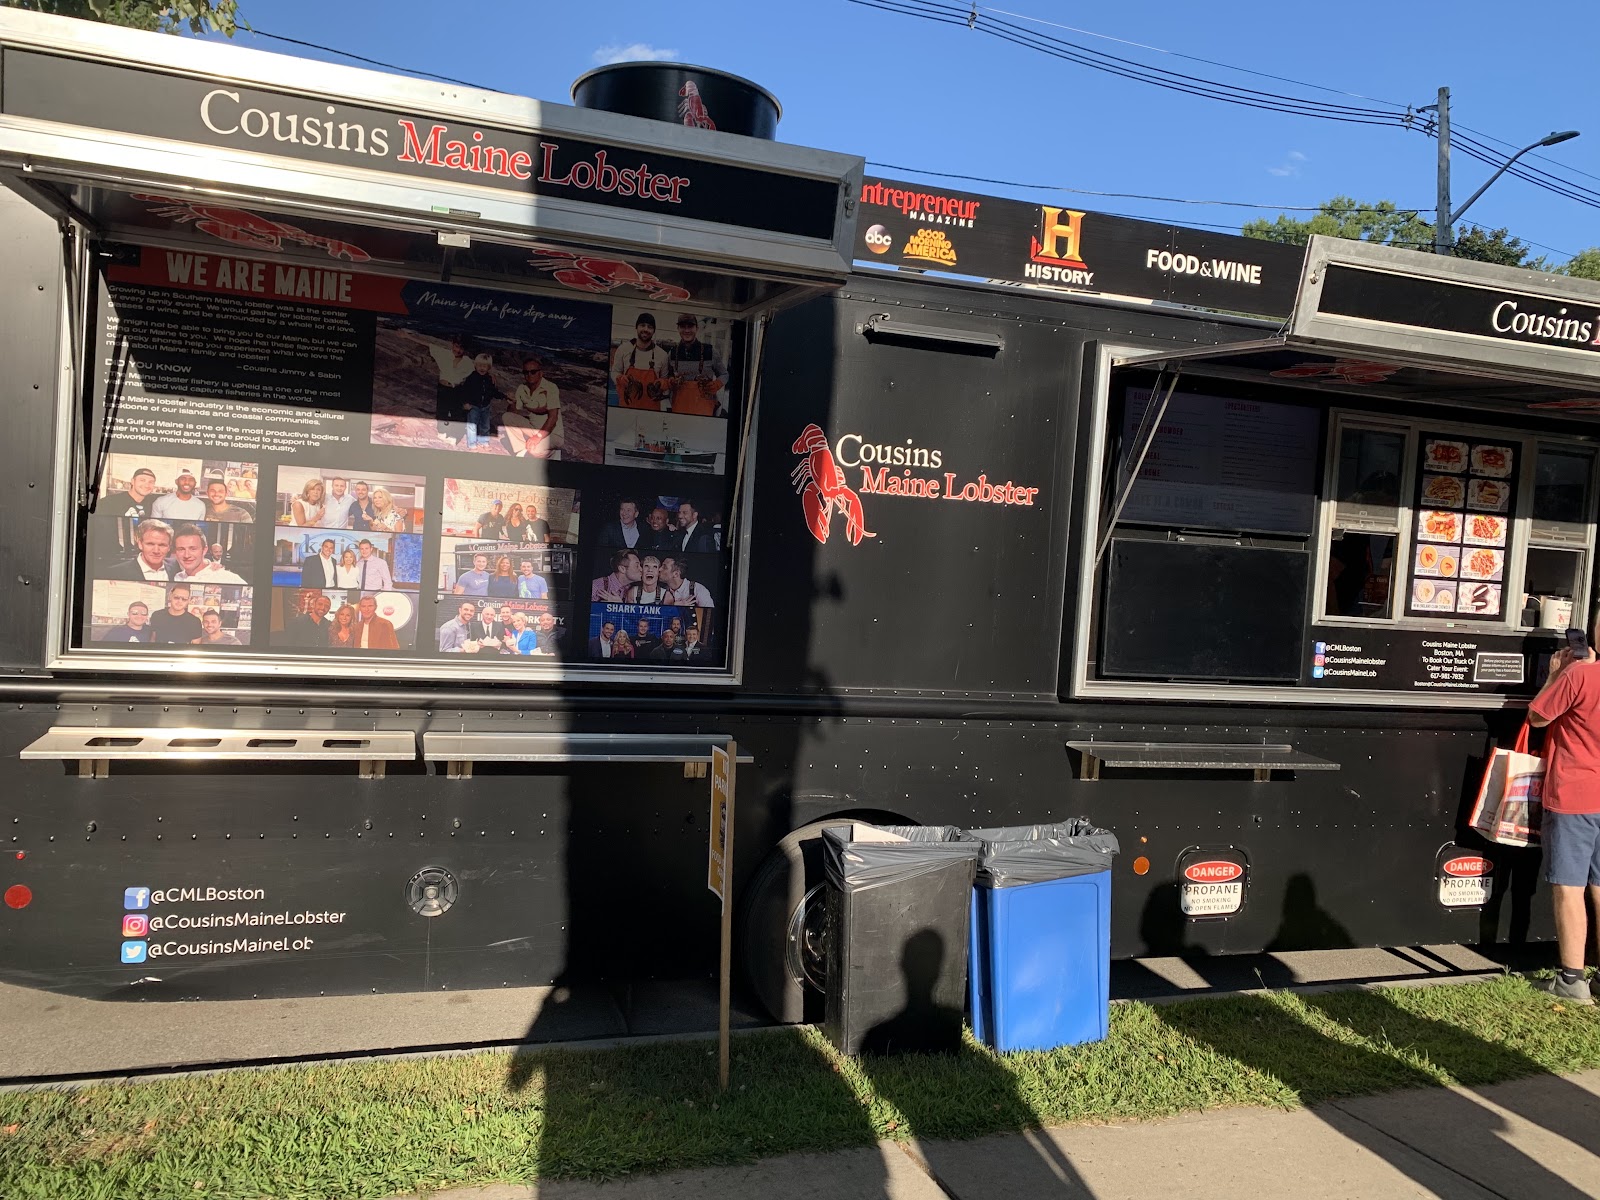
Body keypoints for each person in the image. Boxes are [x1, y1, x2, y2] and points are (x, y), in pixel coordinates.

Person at [1528, 631, 1600, 1003]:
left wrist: (1555, 673)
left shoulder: (1580, 677)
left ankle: (1572, 980)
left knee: (1569, 887)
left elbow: (1537, 716)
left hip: (1575, 795)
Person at [400, 328, 475, 441]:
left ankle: (455, 436)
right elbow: (428, 344)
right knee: (442, 411)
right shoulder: (444, 354)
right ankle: (441, 434)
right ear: (453, 345)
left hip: (457, 389)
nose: (458, 350)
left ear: (465, 349)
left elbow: (476, 372)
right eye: (456, 346)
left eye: (461, 348)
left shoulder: (467, 362)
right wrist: (407, 336)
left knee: (456, 412)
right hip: (443, 388)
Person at [502, 356, 564, 457]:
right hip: (533, 429)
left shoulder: (550, 388)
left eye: (533, 372)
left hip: (553, 434)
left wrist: (537, 437)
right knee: (506, 417)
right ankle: (520, 451)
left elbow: (553, 417)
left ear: (541, 373)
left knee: (535, 451)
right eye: (526, 372)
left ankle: (549, 451)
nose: (529, 375)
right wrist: (512, 402)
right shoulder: (522, 388)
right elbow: (513, 414)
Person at [667, 314, 727, 417]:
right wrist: (670, 381)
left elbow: (724, 374)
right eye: (683, 327)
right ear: (678, 328)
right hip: (678, 412)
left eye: (690, 326)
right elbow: (667, 376)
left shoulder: (710, 352)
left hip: (704, 413)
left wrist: (717, 384)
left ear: (697, 328)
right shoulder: (672, 353)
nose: (687, 330)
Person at [612, 312, 671, 409]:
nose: (646, 329)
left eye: (650, 327)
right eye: (642, 325)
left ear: (654, 331)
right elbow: (615, 372)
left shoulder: (662, 355)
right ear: (636, 327)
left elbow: (665, 379)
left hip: (651, 410)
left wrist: (662, 383)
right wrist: (620, 378)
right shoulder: (623, 349)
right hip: (626, 407)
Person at [105, 519, 175, 581]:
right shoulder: (115, 572)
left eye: (162, 545)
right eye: (150, 544)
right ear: (140, 544)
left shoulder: (176, 566)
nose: (156, 551)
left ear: (169, 547)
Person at [172, 525, 247, 584]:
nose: (187, 555)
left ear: (204, 550)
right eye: (181, 549)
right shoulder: (177, 577)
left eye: (193, 549)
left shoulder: (227, 578)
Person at [458, 351, 503, 448]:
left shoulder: (489, 379)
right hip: (473, 406)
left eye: (485, 366)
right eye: (480, 365)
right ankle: (471, 443)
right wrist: (465, 402)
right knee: (472, 425)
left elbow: (493, 391)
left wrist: (503, 397)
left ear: (489, 368)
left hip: (485, 407)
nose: (482, 368)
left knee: (485, 426)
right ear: (475, 365)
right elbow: (464, 391)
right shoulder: (471, 377)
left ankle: (484, 441)